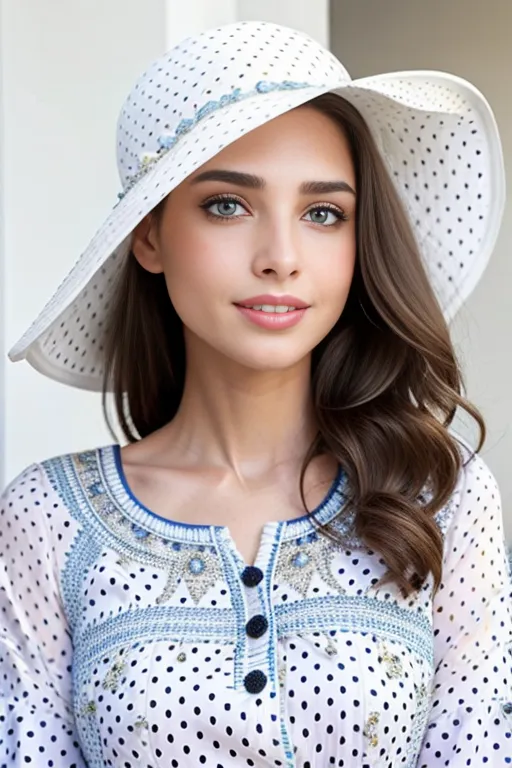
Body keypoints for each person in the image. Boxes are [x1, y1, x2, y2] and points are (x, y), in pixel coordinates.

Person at [0, 19, 510, 768]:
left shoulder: (440, 497)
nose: (280, 258)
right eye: (227, 205)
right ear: (149, 237)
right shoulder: (48, 518)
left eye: (323, 214)